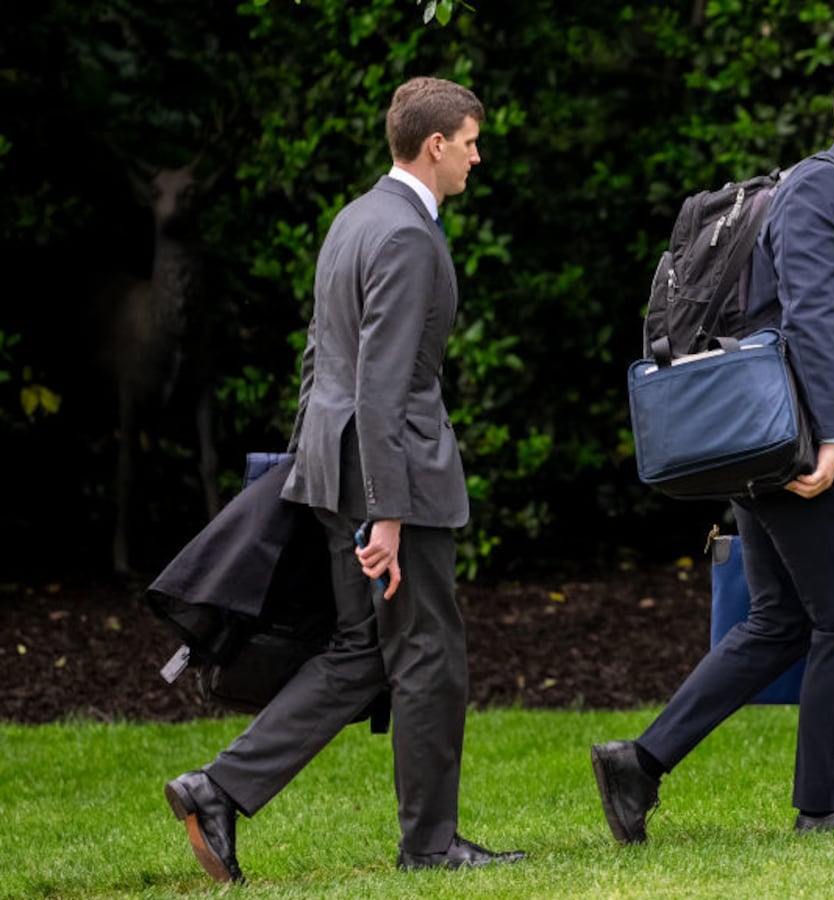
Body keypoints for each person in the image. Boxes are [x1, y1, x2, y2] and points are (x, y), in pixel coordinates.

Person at [161, 76, 526, 882]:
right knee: (429, 653)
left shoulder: (355, 219)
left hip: (338, 470)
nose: (477, 156)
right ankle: (430, 847)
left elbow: (319, 358)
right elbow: (383, 383)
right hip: (388, 480)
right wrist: (386, 512)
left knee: (364, 650)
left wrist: (310, 465)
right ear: (435, 144)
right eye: (470, 141)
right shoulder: (404, 236)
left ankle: (216, 790)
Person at [591, 59, 834, 842]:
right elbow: (811, 313)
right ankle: (824, 805)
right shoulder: (822, 188)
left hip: (776, 436)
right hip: (805, 444)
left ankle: (637, 765)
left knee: (780, 619)